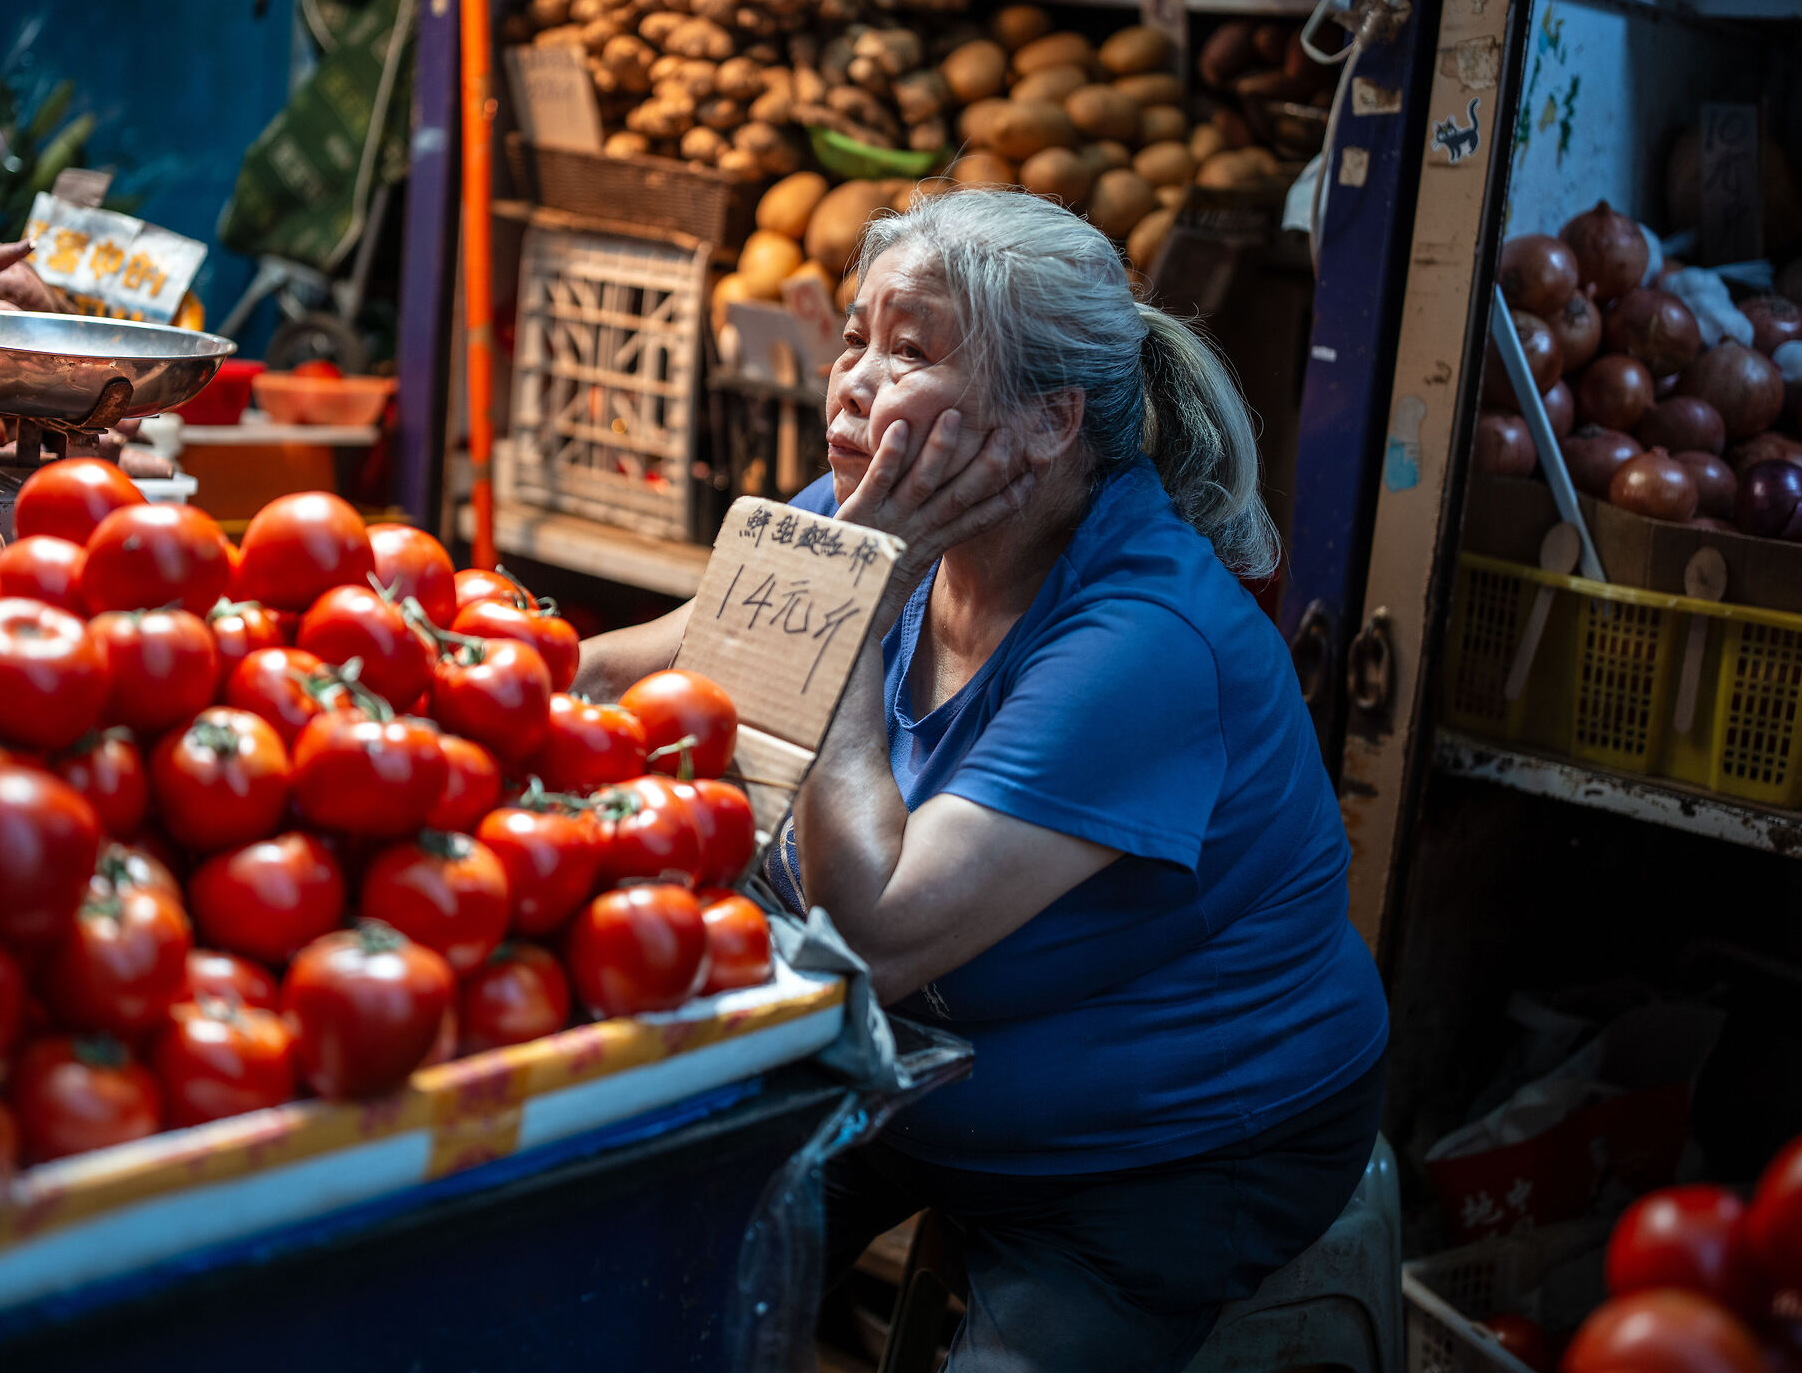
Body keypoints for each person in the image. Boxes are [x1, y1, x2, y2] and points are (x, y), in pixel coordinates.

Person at [575, 189, 1388, 1371]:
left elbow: (878, 932)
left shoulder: (1145, 642)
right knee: (643, 1271)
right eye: (854, 336)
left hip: (1175, 1145)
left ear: (1051, 420)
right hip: (918, 1073)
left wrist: (862, 598)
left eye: (909, 352)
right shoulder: (852, 521)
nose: (853, 378)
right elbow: (637, 662)